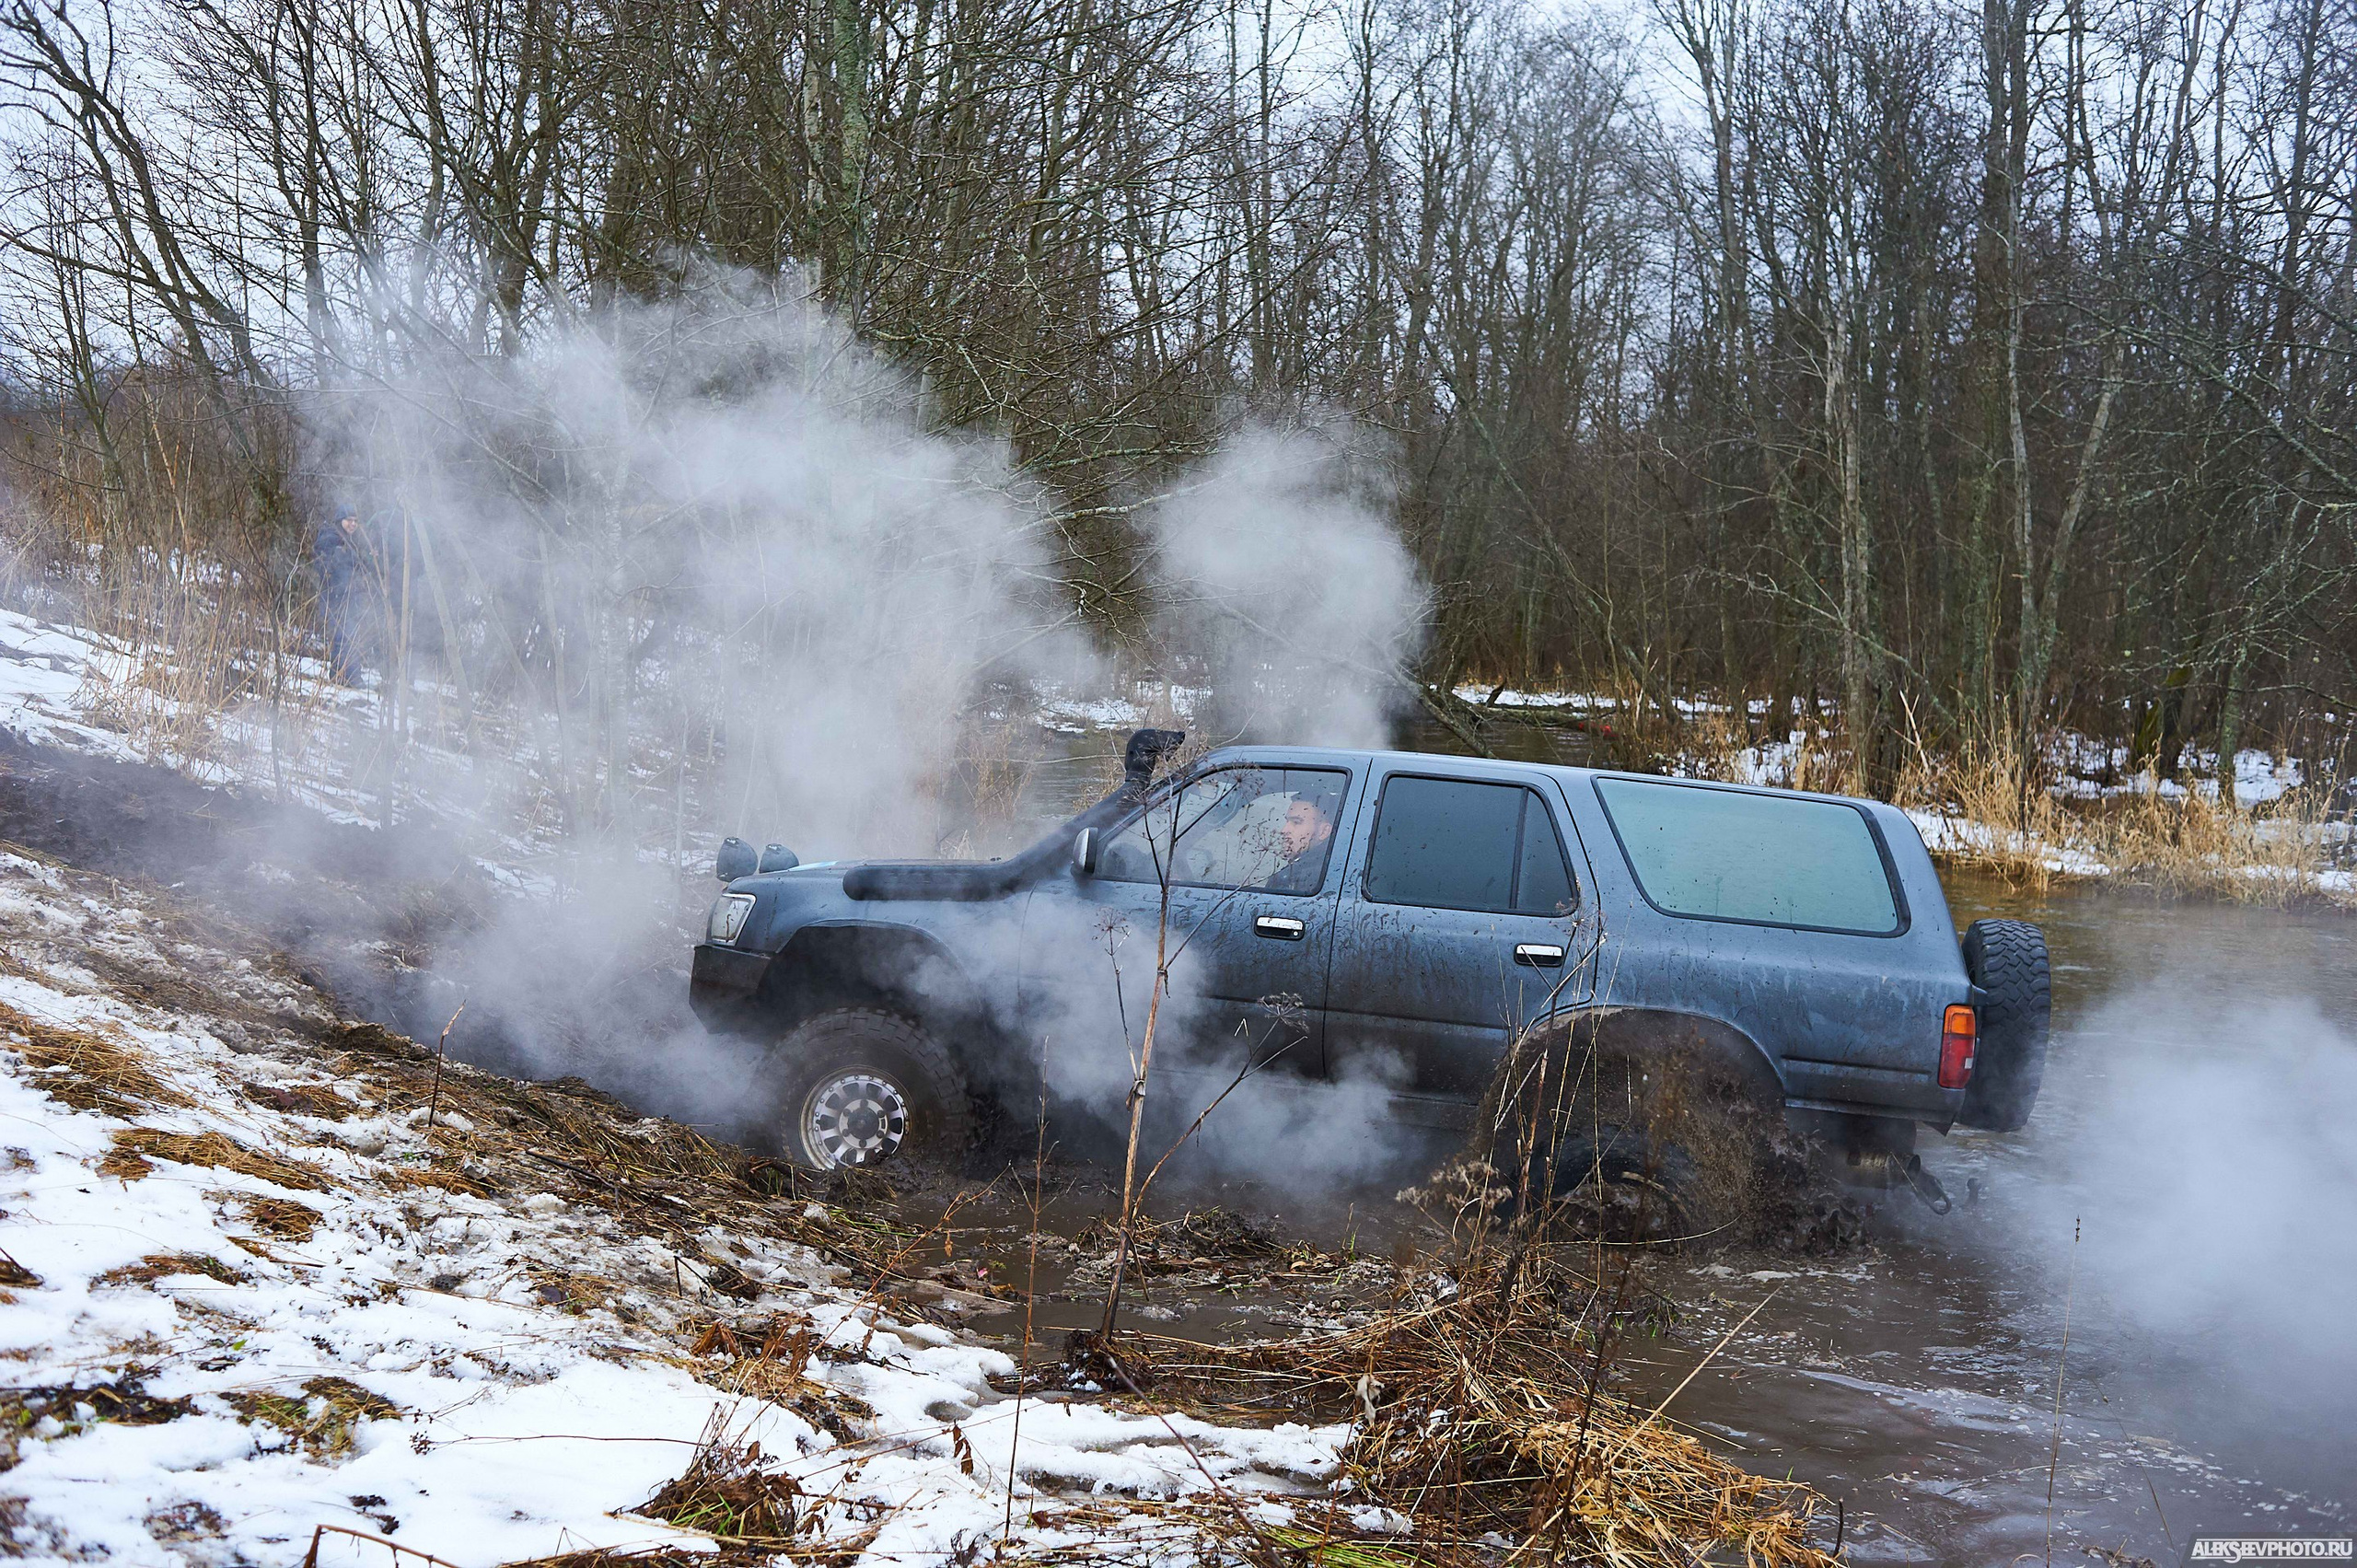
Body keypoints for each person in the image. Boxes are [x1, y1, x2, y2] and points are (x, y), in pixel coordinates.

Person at [310, 501, 371, 677]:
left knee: (345, 636)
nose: (353, 524)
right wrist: (338, 556)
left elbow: (358, 567)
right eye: (348, 520)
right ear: (339, 520)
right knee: (346, 636)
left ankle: (338, 674)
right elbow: (324, 568)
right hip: (336, 597)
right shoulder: (330, 539)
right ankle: (350, 676)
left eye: (355, 521)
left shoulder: (349, 541)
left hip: (349, 597)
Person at [1261, 793, 1336, 893]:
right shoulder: (1331, 867)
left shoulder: (1304, 878)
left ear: (1324, 831)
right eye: (1287, 822)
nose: (1284, 830)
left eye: (1296, 822)